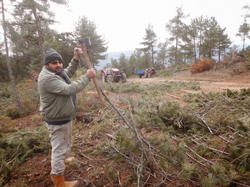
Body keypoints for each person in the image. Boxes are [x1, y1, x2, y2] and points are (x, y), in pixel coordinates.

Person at [38, 48, 96, 187]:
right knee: (59, 148)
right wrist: (87, 76)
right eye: (54, 63)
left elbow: (67, 74)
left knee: (64, 143)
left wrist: (75, 59)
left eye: (59, 62)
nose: (58, 65)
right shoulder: (48, 78)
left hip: (61, 117)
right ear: (47, 64)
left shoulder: (54, 73)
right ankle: (59, 181)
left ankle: (62, 160)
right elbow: (70, 89)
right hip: (58, 121)